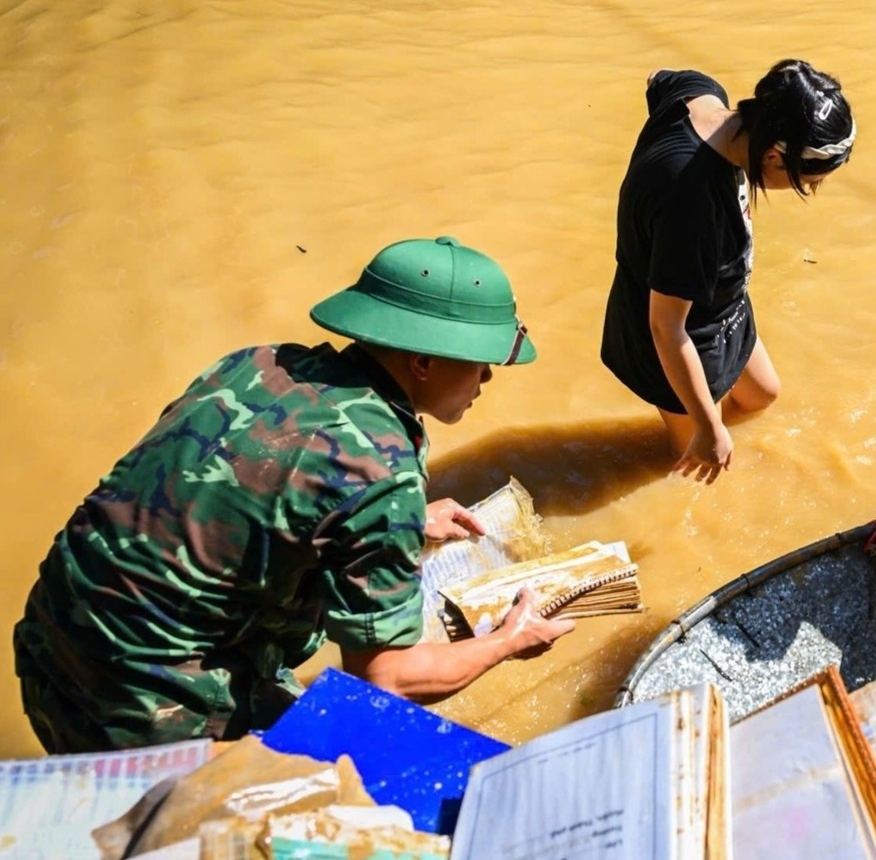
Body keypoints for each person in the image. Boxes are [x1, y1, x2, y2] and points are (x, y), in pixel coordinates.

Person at [14, 236, 576, 753]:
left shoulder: (258, 364)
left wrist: (405, 522)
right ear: (423, 361)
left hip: (50, 644)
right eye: (482, 362)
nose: (488, 379)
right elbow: (388, 678)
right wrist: (507, 640)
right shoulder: (378, 466)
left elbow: (224, 488)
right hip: (137, 707)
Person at [601, 61, 856, 484]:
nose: (807, 191)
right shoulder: (691, 203)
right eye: (806, 183)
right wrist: (708, 428)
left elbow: (657, 77)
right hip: (678, 337)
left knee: (762, 395)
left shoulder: (701, 94)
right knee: (691, 468)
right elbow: (666, 327)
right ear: (774, 156)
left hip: (721, 304)